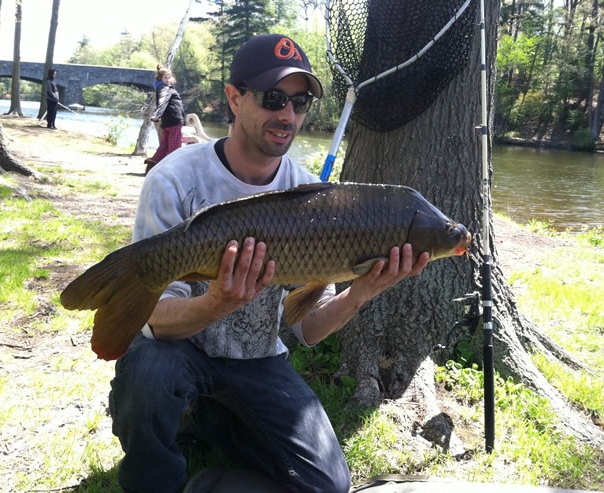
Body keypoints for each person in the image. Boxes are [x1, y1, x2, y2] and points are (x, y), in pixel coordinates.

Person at [109, 33, 429, 493]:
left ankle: (210, 464)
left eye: (299, 104)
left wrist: (361, 292)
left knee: (329, 487)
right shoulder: (176, 179)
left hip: (259, 362)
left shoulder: (316, 199)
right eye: (274, 98)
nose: (288, 115)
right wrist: (215, 303)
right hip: (180, 351)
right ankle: (155, 478)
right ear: (235, 98)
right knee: (148, 369)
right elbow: (154, 318)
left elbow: (305, 330)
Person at [144, 65, 185, 175]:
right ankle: (172, 173)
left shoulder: (163, 88)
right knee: (175, 149)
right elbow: (162, 102)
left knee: (164, 147)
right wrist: (157, 114)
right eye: (165, 78)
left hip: (168, 122)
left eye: (169, 77)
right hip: (174, 121)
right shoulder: (165, 89)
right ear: (160, 79)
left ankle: (150, 169)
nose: (168, 80)